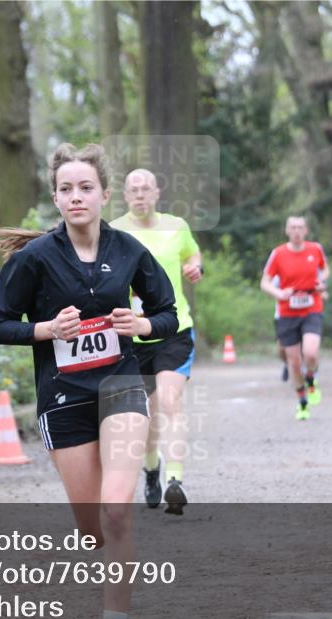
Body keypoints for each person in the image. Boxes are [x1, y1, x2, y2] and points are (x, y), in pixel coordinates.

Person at [0, 144, 178, 619]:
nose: (77, 196)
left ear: (104, 194)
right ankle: (116, 565)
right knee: (94, 527)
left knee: (117, 511)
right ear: (55, 197)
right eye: (67, 189)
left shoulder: (130, 250)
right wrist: (46, 329)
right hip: (64, 398)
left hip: (120, 386)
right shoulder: (34, 259)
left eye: (86, 187)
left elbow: (166, 315)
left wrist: (140, 325)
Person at [110, 169, 202, 515]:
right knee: (145, 415)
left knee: (169, 401)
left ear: (157, 192)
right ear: (125, 195)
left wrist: (195, 268)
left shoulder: (176, 226)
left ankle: (174, 480)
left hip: (173, 329)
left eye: (145, 187)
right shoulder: (115, 232)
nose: (139, 194)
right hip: (132, 335)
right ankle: (152, 469)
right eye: (133, 189)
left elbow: (193, 254)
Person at [260, 216, 329, 421]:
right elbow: (264, 282)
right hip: (287, 312)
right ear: (287, 231)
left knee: (310, 353)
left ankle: (311, 380)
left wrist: (321, 282)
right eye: (293, 227)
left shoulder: (315, 249)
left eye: (300, 227)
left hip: (311, 308)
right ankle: (302, 402)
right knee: (294, 360)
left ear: (306, 231)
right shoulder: (278, 254)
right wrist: (278, 293)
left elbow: (324, 269)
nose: (297, 231)